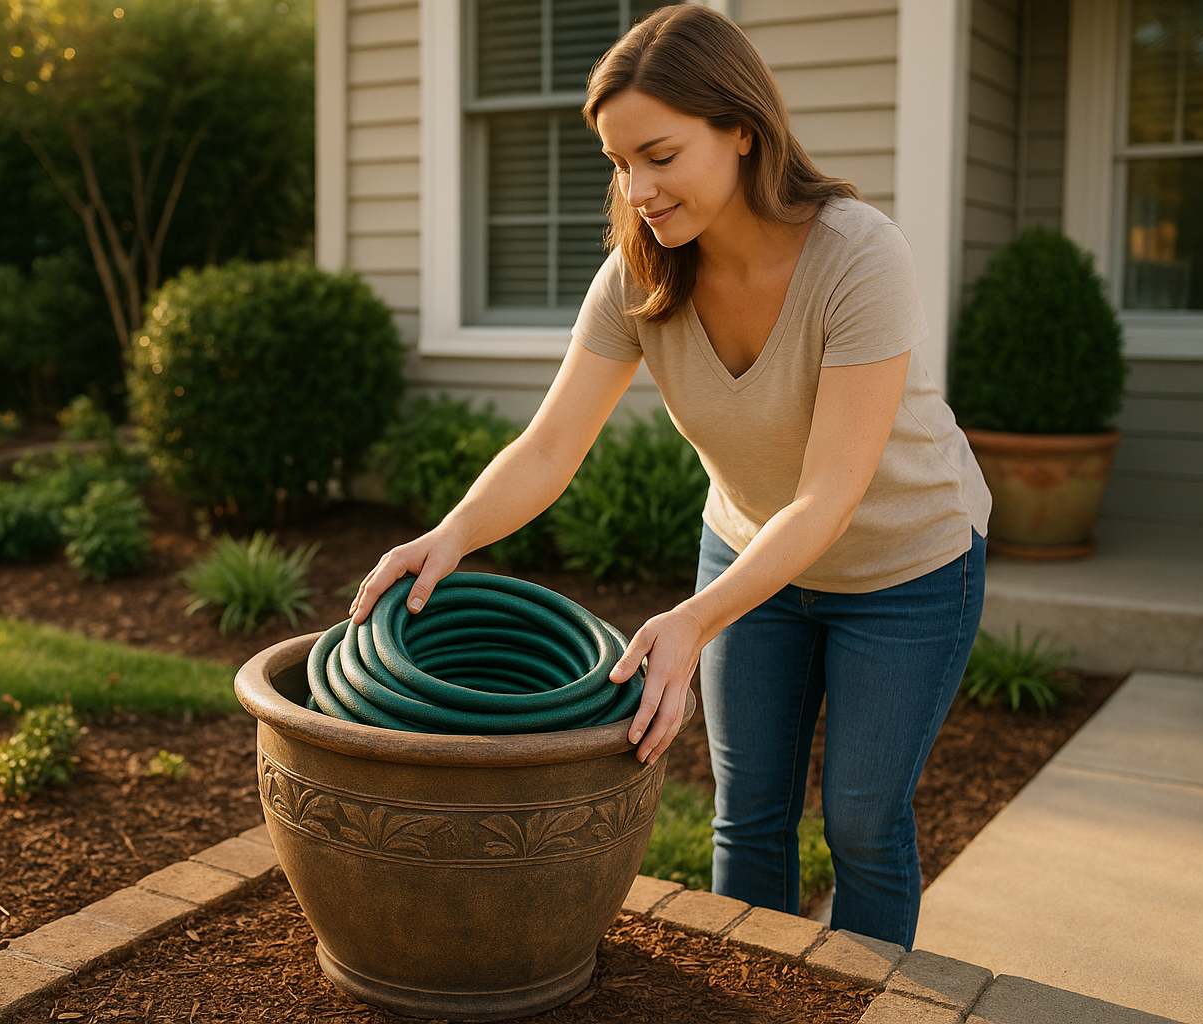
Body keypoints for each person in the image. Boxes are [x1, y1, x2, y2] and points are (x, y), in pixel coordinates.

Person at [347, 5, 990, 950]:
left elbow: (832, 490)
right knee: (748, 812)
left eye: (659, 154)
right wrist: (454, 533)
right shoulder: (639, 278)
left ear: (740, 129)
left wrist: (695, 618)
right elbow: (549, 445)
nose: (637, 187)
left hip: (904, 568)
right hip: (747, 552)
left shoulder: (859, 256)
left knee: (861, 822)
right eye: (618, 163)